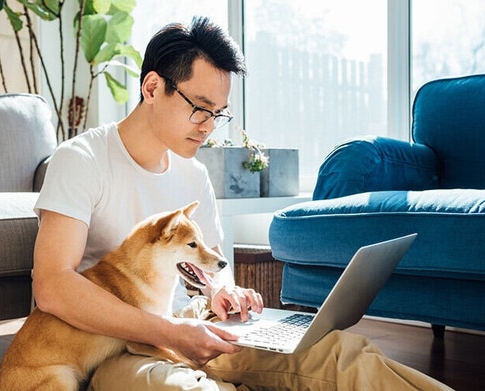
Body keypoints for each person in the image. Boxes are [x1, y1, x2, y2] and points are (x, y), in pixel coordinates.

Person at [32, 16, 452, 390]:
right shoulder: (81, 160)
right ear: (153, 87)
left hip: (193, 323)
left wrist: (224, 293)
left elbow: (211, 270)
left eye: (219, 113)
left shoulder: (192, 174)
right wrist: (168, 332)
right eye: (200, 109)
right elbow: (52, 286)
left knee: (338, 353)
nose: (209, 127)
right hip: (111, 345)